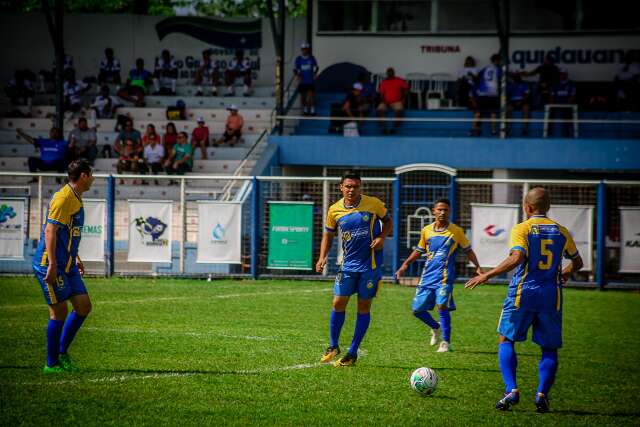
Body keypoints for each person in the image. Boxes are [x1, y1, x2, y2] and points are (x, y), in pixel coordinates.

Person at [465, 187, 583, 413]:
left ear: (527, 207)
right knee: (549, 348)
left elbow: (517, 257)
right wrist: (566, 272)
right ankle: (541, 395)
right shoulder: (561, 231)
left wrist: (487, 274)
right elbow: (578, 263)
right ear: (548, 207)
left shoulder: (523, 228)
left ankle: (511, 390)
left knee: (506, 339)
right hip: (551, 296)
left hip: (523, 293)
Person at [315, 170, 393, 367]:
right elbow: (328, 235)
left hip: (370, 266)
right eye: (348, 186)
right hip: (348, 265)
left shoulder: (373, 203)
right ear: (341, 187)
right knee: (338, 302)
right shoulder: (334, 210)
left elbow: (389, 221)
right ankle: (333, 346)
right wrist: (322, 256)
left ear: (361, 187)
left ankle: (352, 351)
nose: (351, 190)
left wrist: (382, 237)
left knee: (363, 307)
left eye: (355, 186)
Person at [395, 198, 482, 353]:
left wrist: (478, 267)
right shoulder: (426, 230)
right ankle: (435, 327)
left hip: (444, 278)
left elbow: (468, 250)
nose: (442, 212)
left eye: (445, 210)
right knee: (417, 311)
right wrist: (405, 264)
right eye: (439, 209)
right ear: (433, 211)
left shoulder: (456, 231)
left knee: (442, 306)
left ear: (449, 212)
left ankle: (445, 342)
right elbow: (419, 250)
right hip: (427, 277)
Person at [33, 159, 95, 373]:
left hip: (67, 263)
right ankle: (51, 364)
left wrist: (75, 256)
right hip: (51, 264)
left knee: (84, 306)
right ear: (84, 176)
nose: (93, 179)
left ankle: (62, 353)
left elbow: (67, 233)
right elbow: (50, 231)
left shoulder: (76, 197)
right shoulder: (63, 198)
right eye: (91, 175)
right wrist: (51, 264)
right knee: (59, 312)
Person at [471, 54, 502, 136]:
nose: (500, 62)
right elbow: (502, 78)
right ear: (496, 60)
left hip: (482, 94)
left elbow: (476, 77)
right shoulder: (498, 69)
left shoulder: (485, 68)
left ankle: (473, 129)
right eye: (499, 60)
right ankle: (493, 130)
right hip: (493, 94)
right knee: (493, 113)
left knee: (478, 112)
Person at [377, 67, 409, 134]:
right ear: (387, 73)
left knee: (400, 111)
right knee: (379, 110)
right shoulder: (384, 82)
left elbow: (406, 88)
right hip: (385, 102)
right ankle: (384, 129)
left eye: (392, 72)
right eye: (389, 72)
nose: (390, 73)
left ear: (394, 73)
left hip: (396, 101)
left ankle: (394, 129)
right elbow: (381, 95)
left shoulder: (399, 80)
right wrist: (385, 102)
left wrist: (403, 99)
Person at [550, 68, 577, 137]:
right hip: (556, 104)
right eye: (561, 74)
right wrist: (553, 104)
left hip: (567, 104)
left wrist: (567, 104)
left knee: (567, 111)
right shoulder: (555, 83)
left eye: (563, 74)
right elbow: (552, 96)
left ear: (566, 75)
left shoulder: (571, 83)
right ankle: (548, 130)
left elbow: (573, 96)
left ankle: (567, 131)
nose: (562, 75)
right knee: (549, 110)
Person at [294, 42, 319, 116]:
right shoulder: (298, 59)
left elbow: (316, 67)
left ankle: (312, 110)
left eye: (306, 49)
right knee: (303, 96)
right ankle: (304, 110)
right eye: (303, 49)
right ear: (301, 50)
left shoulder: (312, 58)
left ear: (308, 49)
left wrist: (314, 74)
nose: (304, 50)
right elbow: (295, 69)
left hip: (310, 80)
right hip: (302, 81)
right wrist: (297, 76)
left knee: (311, 96)